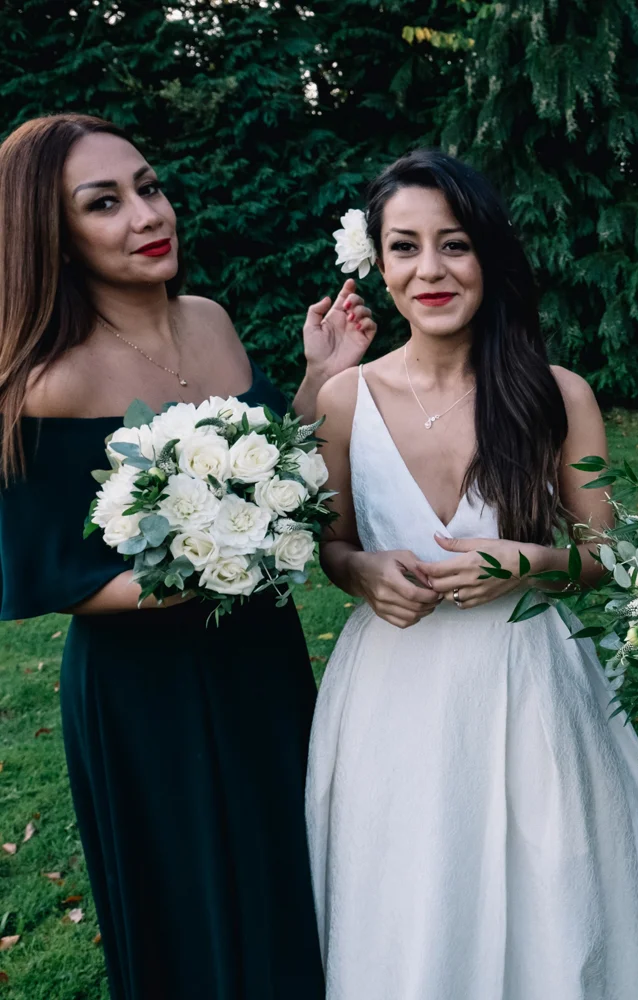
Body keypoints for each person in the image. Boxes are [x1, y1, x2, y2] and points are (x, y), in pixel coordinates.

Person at [303, 149, 638, 1000]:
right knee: (414, 880)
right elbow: (329, 545)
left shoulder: (558, 394)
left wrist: (534, 562)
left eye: (453, 245)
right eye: (406, 248)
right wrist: (360, 571)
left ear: (487, 253)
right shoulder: (345, 401)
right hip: (393, 687)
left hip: (531, 678)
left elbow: (607, 560)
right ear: (380, 266)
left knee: (551, 871)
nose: (431, 270)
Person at [0, 114, 374, 998]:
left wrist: (322, 375)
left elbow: (277, 467)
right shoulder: (48, 381)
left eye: (149, 186)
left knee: (295, 870)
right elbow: (51, 572)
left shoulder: (210, 320)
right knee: (195, 907)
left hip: (260, 656)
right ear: (52, 234)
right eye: (105, 203)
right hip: (146, 691)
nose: (146, 214)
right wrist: (210, 569)